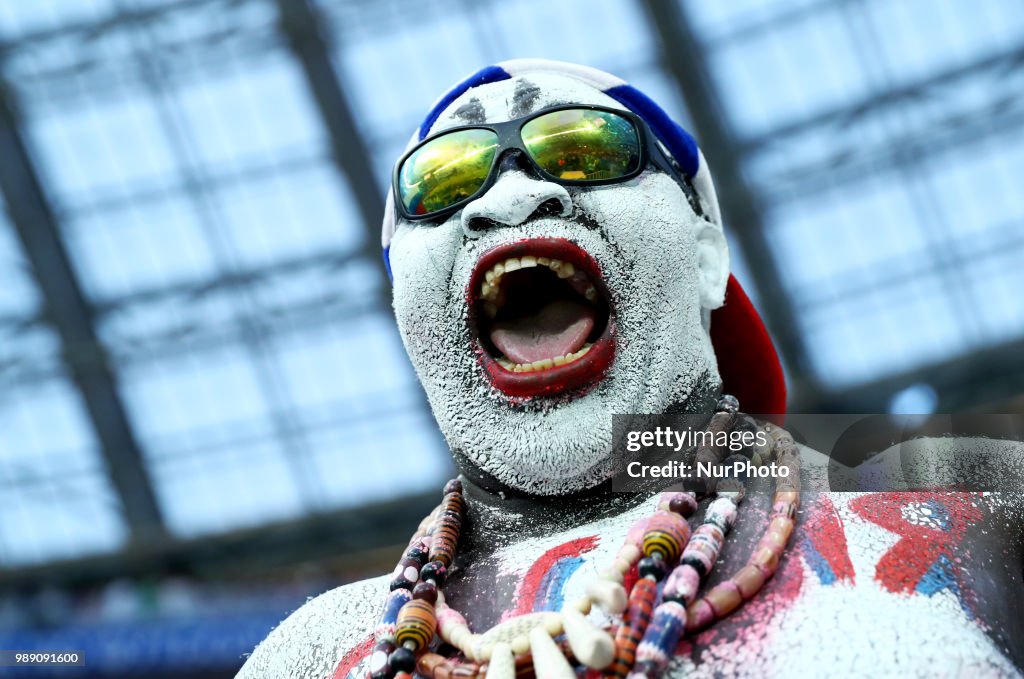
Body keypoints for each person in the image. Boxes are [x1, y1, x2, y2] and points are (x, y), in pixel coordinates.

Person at [239, 59, 1024, 678]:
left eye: (583, 149)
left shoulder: (965, 492)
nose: (510, 196)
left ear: (708, 255)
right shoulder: (305, 655)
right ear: (405, 310)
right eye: (441, 181)